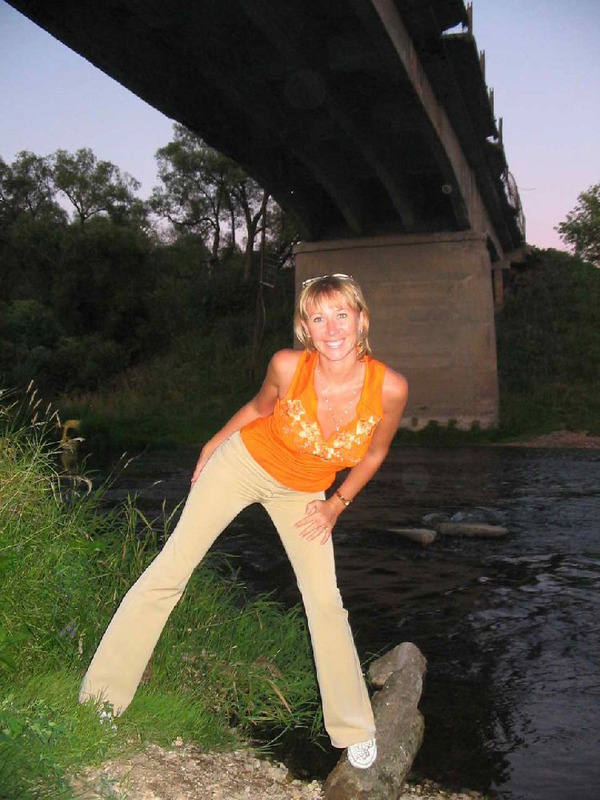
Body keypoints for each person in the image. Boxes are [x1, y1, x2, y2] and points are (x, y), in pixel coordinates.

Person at [79, 273, 408, 769]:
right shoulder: (287, 366)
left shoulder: (390, 389)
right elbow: (258, 409)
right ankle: (101, 698)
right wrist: (213, 444)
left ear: (362, 320)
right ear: (305, 328)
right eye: (319, 318)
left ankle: (353, 726)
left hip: (305, 494)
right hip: (243, 465)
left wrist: (336, 504)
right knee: (169, 571)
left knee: (325, 601)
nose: (332, 328)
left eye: (342, 315)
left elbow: (374, 454)